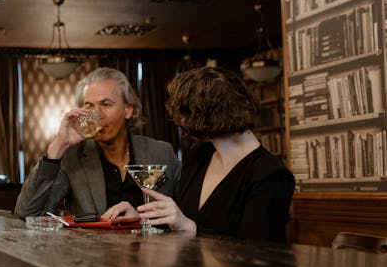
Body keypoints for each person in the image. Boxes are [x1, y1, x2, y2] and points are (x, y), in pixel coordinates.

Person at [123, 66, 294, 242]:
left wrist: (191, 227)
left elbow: (255, 253)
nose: (179, 121)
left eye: (183, 113)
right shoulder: (201, 155)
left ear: (200, 116)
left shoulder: (271, 175)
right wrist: (140, 219)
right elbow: (179, 224)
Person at [15, 67, 180, 219]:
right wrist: (58, 146)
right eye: (89, 106)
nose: (97, 114)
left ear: (128, 110)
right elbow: (28, 213)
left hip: (155, 250)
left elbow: (186, 215)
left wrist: (139, 220)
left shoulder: (162, 153)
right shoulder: (72, 158)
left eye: (106, 104)